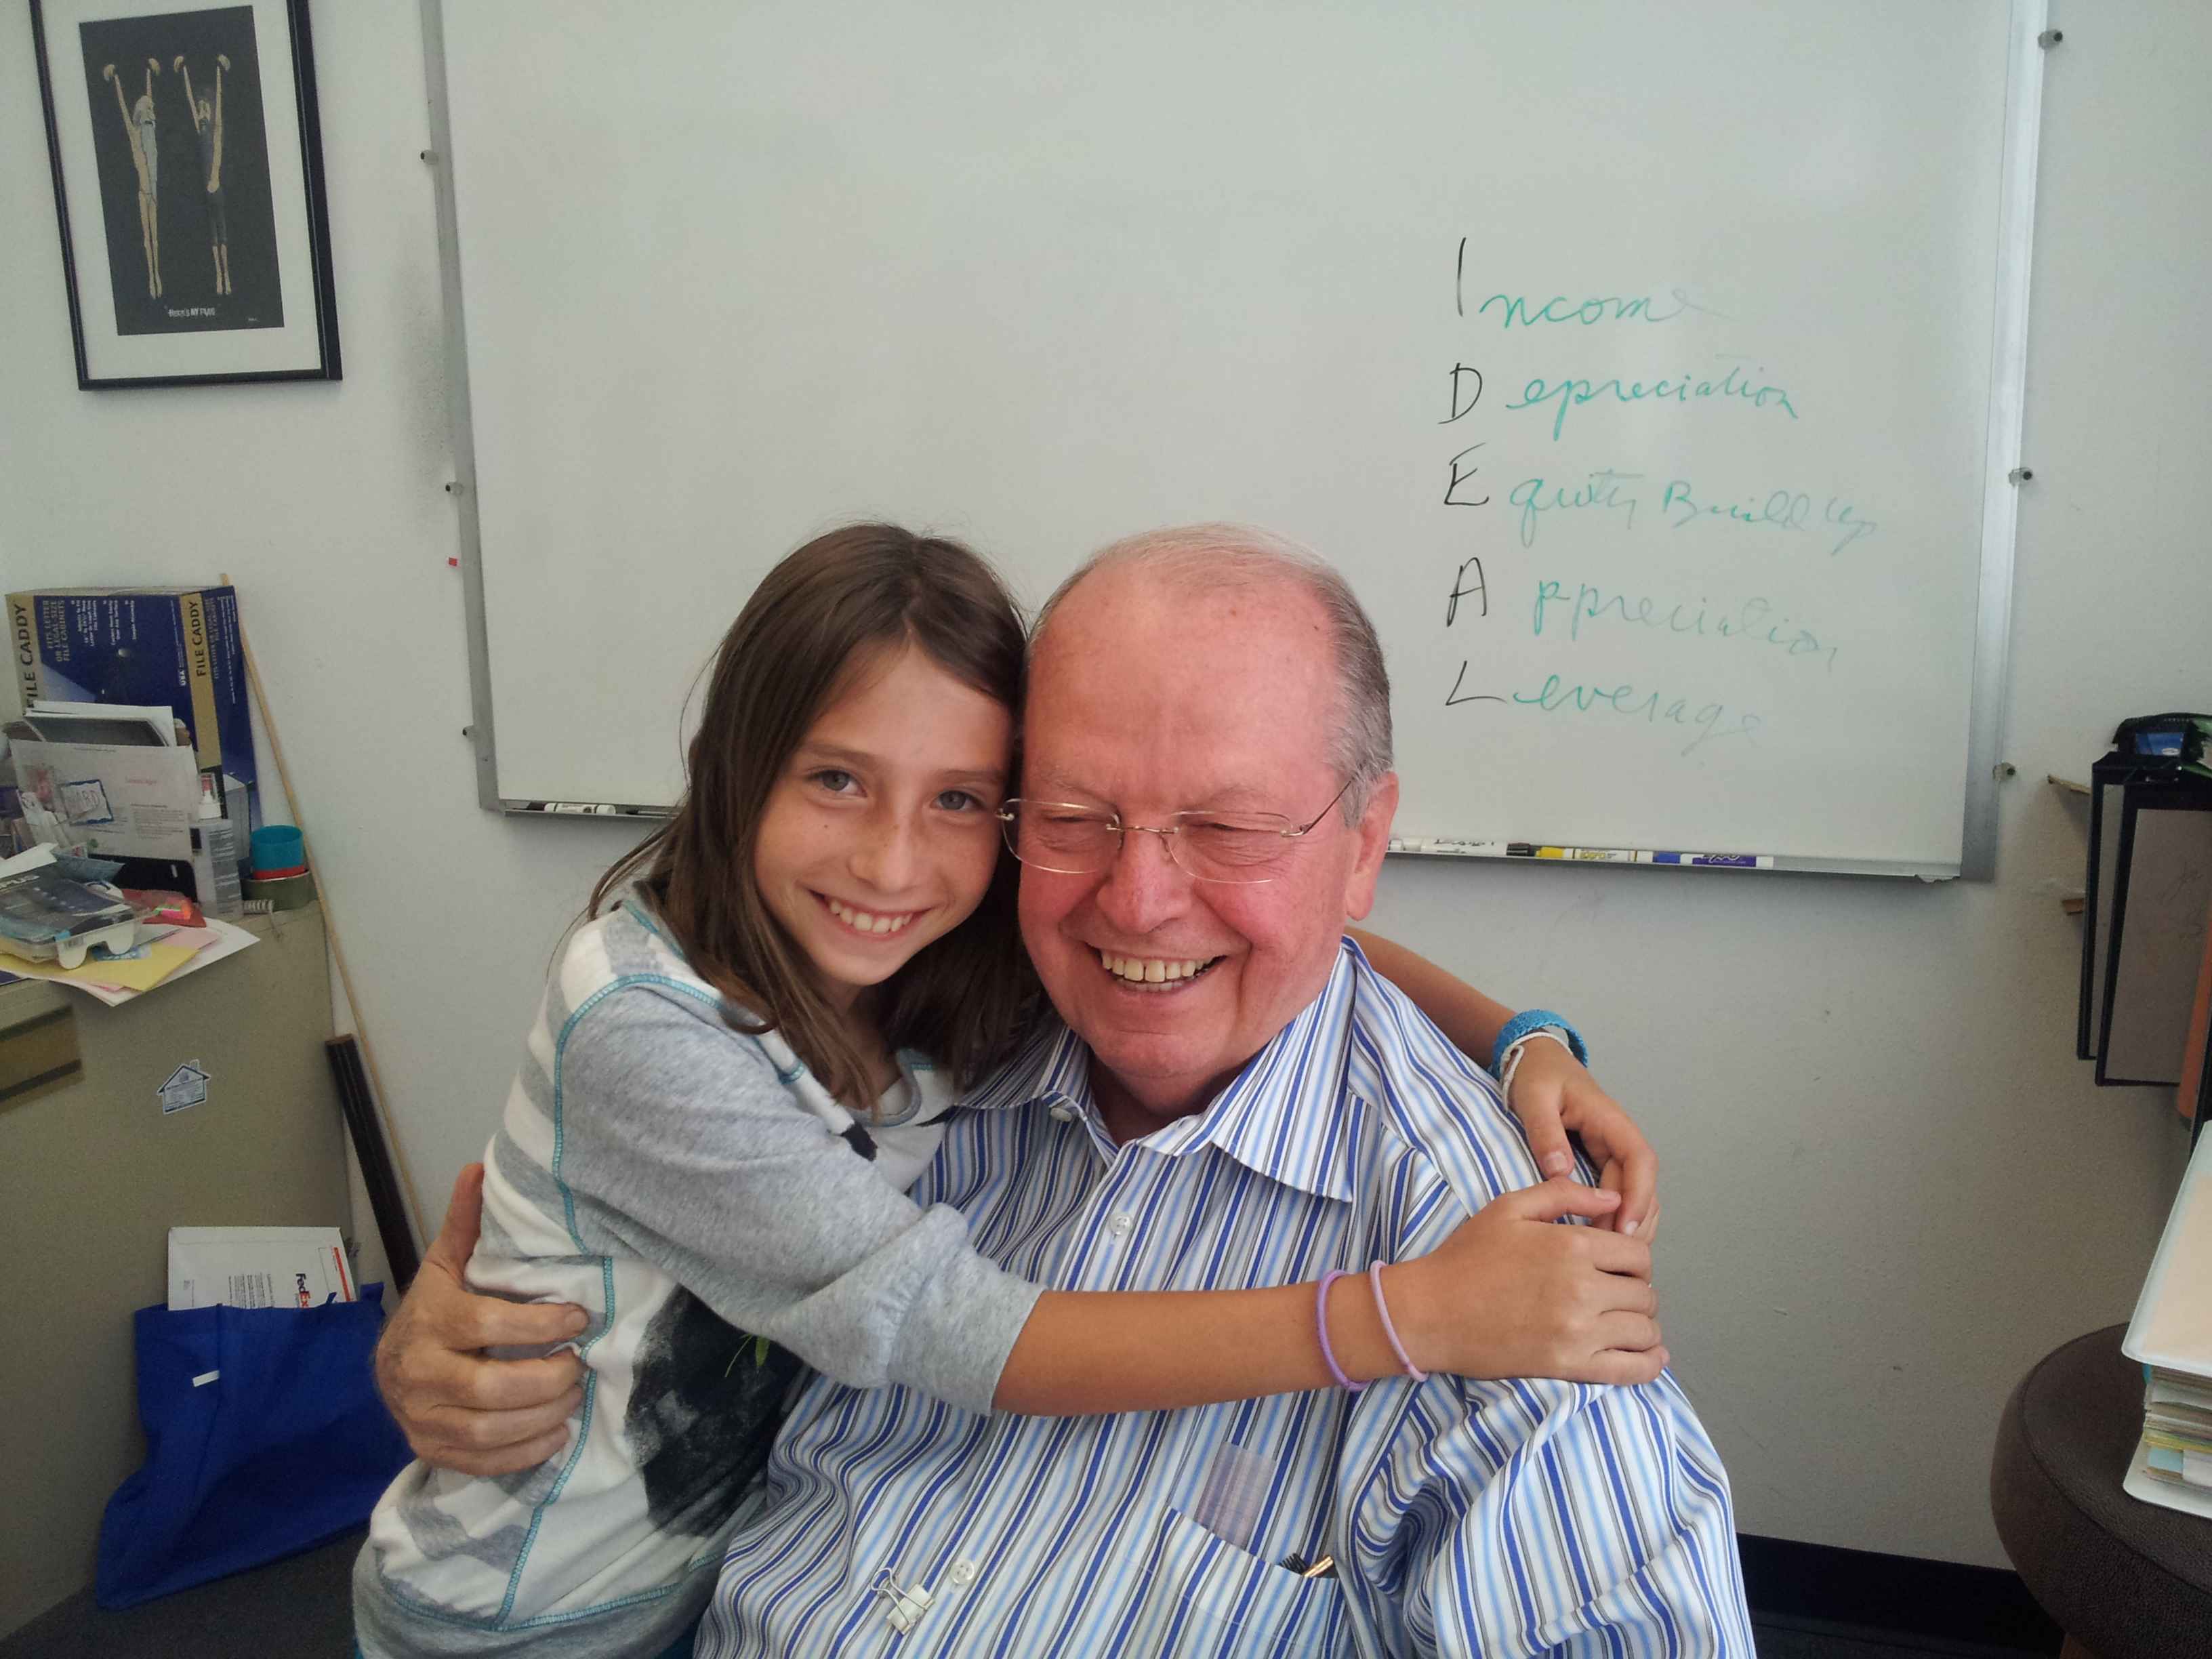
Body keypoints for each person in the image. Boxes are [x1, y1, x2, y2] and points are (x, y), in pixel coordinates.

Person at [357, 525, 1664, 1659]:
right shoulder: (822, 1010)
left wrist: (1520, 1037)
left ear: (1364, 840)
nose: (1138, 898)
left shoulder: (1513, 1286)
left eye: (1223, 825)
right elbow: (950, 1324)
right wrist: (1396, 1316)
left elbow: (1290, 933)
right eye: (1077, 814)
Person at [101, 58, 163, 298]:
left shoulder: (149, 134)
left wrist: (149, 72)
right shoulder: (134, 133)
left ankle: (157, 275)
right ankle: (151, 276)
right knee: (147, 239)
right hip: (142, 192)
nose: (149, 112)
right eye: (146, 109)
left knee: (155, 239)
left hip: (153, 193)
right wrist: (116, 79)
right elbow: (123, 106)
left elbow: (149, 98)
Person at [175, 54, 231, 295]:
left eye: (204, 108)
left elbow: (217, 100)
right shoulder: (200, 131)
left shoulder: (215, 133)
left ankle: (226, 276)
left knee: (223, 236)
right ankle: (219, 277)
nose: (202, 111)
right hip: (207, 194)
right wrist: (184, 71)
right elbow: (189, 98)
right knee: (213, 238)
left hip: (217, 191)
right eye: (200, 109)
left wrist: (219, 71)